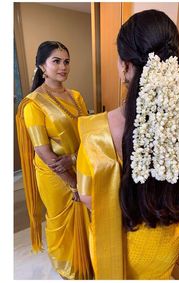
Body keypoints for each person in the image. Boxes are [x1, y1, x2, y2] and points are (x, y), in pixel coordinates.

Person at [76, 10, 179, 279]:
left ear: (125, 66)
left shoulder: (95, 131)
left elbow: (88, 198)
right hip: (168, 238)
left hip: (121, 245)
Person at [16, 41, 93, 279]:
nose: (63, 67)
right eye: (56, 61)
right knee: (60, 220)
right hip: (54, 175)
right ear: (42, 66)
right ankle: (67, 265)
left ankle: (86, 259)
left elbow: (86, 133)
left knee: (86, 217)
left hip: (79, 165)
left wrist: (73, 160)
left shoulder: (77, 96)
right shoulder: (33, 104)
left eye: (66, 61)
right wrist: (71, 182)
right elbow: (43, 152)